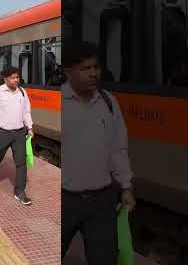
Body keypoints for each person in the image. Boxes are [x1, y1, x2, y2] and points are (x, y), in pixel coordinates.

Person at [61, 41, 135, 264]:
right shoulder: (59, 103)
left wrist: (126, 185)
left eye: (96, 67)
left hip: (101, 201)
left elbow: (118, 148)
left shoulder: (108, 103)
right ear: (69, 72)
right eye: (85, 68)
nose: (93, 73)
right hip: (65, 200)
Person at [0, 66, 34, 206]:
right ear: (5, 79)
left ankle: (20, 192)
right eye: (13, 77)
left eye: (17, 77)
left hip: (19, 133)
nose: (16, 80)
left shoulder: (22, 93)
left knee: (21, 163)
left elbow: (26, 112)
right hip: (1, 133)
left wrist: (29, 127)